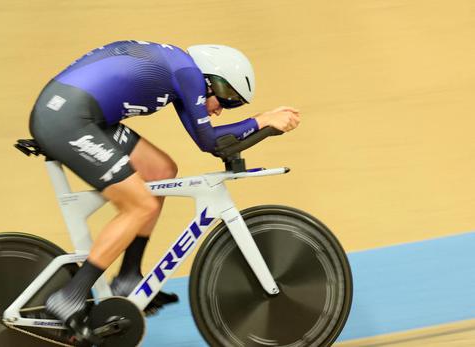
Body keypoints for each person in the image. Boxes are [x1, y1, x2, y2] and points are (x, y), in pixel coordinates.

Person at [28, 40, 300, 341]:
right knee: (140, 205)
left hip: (83, 115)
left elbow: (209, 143)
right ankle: (68, 298)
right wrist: (262, 121)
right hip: (68, 119)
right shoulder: (188, 73)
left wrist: (260, 127)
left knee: (161, 171)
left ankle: (128, 278)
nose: (221, 109)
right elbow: (211, 140)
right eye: (226, 98)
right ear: (212, 80)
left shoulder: (183, 72)